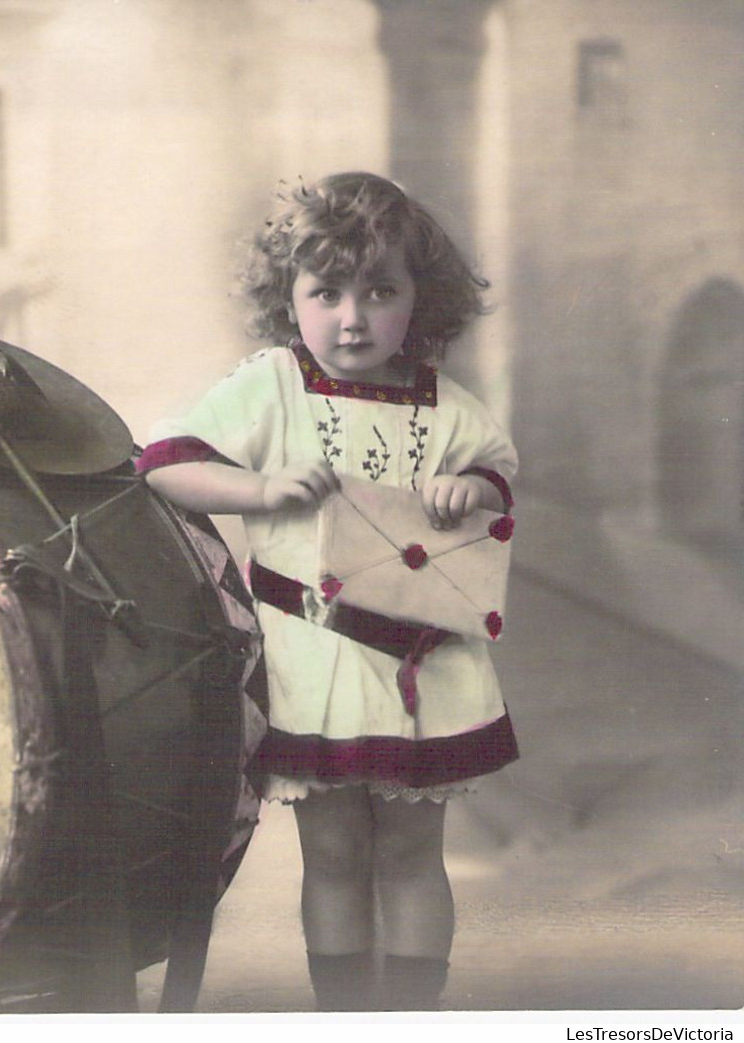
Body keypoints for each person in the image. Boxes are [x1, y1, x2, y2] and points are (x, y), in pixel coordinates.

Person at [139, 172, 518, 1012]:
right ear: (290, 297)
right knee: (337, 853)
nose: (352, 317)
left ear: (420, 301)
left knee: (414, 853)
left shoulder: (444, 407)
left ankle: (410, 1018)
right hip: (315, 663)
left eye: (380, 291)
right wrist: (262, 489)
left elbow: (498, 475)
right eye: (326, 292)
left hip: (426, 668)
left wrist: (472, 490)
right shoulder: (272, 385)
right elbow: (165, 467)